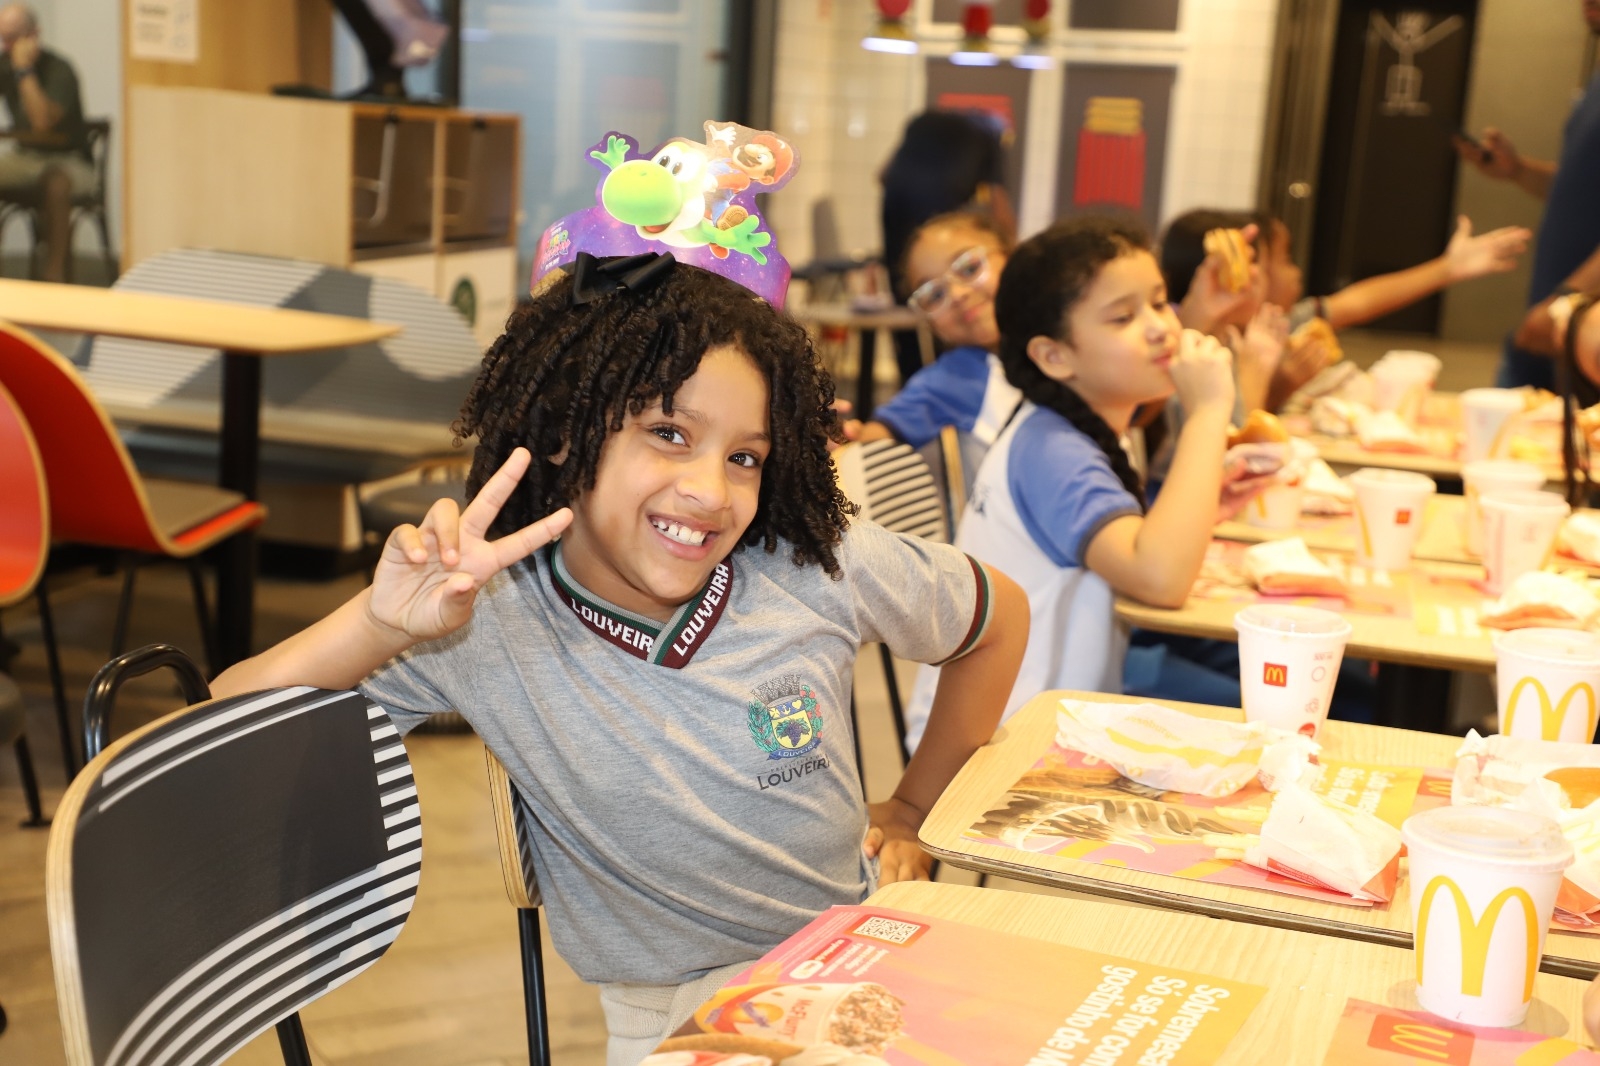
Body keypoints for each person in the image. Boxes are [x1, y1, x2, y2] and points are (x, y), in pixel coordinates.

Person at [209, 252, 1028, 1065]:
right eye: (669, 435)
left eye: (744, 456)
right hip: (674, 1014)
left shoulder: (807, 562)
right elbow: (223, 726)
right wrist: (379, 624)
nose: (711, 490)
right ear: (566, 433)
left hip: (860, 954)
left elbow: (999, 619)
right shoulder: (482, 617)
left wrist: (914, 808)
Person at [901, 217, 1267, 750]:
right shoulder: (1054, 450)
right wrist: (1210, 409)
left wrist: (1205, 502)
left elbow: (1142, 554)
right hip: (993, 754)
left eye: (1158, 302)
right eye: (1123, 317)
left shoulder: (1073, 428)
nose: (1161, 328)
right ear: (1054, 356)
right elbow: (1160, 578)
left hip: (1045, 728)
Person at [1161, 208, 1528, 409]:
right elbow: (1229, 444)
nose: (1295, 273)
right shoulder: (1189, 356)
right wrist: (1276, 386)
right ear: (1227, 277)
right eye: (1282, 262)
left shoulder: (1269, 325)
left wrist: (1448, 269)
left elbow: (1358, 301)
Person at [1456, 0, 1600, 389]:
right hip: (1556, 321)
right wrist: (1518, 171)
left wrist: (1567, 298)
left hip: (1582, 331)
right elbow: (1580, 190)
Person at [849, 211, 1022, 477]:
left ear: (1012, 255)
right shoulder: (953, 377)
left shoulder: (1070, 338)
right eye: (934, 294)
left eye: (969, 268)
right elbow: (877, 436)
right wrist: (848, 440)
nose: (958, 294)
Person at [880, 110, 1016, 384]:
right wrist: (1011, 247)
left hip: (897, 215)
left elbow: (883, 175)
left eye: (969, 268)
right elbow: (998, 201)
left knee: (915, 308)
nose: (959, 293)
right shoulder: (991, 136)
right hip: (941, 218)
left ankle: (911, 378)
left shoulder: (923, 122)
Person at [0, 3, 91, 284]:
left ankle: (54, 277)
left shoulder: (60, 70)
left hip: (69, 159)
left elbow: (41, 121)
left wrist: (24, 71)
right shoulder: (4, 64)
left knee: (56, 184)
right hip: (24, 156)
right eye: (4, 39)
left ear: (34, 34)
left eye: (13, 38)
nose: (8, 46)